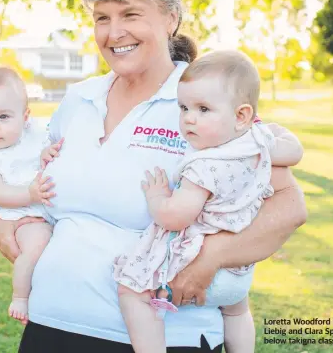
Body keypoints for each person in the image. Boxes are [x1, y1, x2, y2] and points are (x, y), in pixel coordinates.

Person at [0, 0, 307, 353]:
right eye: (102, 18)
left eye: (130, 14)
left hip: (166, 337)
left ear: (171, 18)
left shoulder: (203, 104)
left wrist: (212, 259)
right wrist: (2, 221)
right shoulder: (78, 99)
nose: (114, 32)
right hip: (50, 327)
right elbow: (30, 187)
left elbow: (289, 206)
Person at [112, 50, 304, 353]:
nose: (189, 118)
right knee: (237, 311)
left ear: (241, 115)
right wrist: (271, 135)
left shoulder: (204, 165)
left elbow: (176, 217)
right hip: (238, 272)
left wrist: (157, 197)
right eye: (184, 107)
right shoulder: (257, 145)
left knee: (131, 292)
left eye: (203, 109)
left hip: (198, 267)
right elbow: (293, 151)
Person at [0, 67, 61, 324]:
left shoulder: (35, 136)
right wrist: (30, 194)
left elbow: (45, 155)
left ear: (25, 117)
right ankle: (21, 297)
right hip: (18, 216)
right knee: (37, 245)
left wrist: (46, 155)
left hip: (42, 208)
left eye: (3, 117)